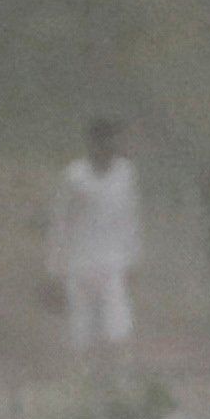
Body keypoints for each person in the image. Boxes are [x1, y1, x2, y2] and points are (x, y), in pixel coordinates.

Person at [48, 117, 144, 355]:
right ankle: (84, 382)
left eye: (113, 142)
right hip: (79, 263)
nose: (108, 148)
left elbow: (130, 219)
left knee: (118, 329)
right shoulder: (74, 176)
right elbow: (60, 224)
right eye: (103, 142)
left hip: (113, 263)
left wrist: (134, 260)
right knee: (81, 331)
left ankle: (118, 383)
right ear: (92, 143)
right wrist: (55, 269)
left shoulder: (125, 174)